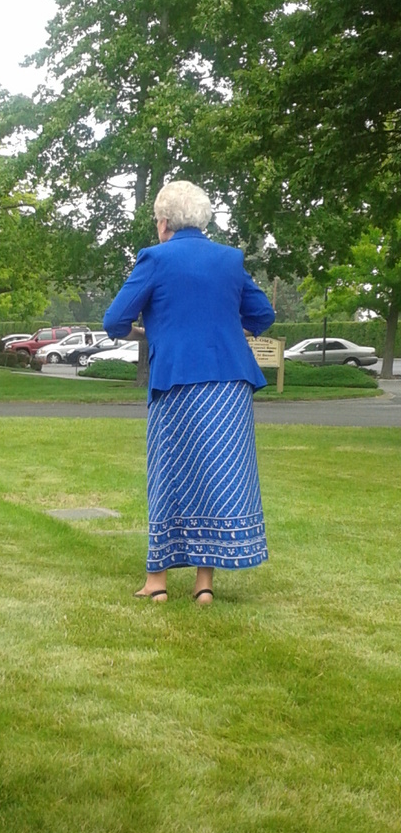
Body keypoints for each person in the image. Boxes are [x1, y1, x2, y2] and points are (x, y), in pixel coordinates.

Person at [103, 180, 276, 604]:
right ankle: (204, 585)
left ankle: (157, 583)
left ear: (163, 222)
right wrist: (224, 327)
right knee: (217, 478)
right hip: (230, 386)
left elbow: (114, 321)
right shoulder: (230, 260)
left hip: (177, 381)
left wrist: (147, 331)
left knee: (169, 476)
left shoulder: (155, 259)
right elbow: (263, 315)